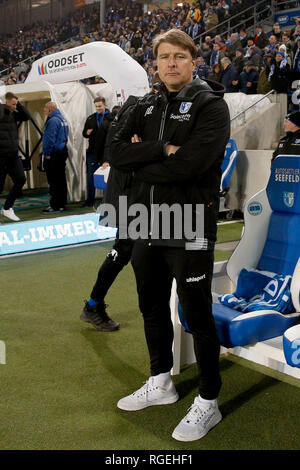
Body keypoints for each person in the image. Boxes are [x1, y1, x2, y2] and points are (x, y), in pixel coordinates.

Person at [110, 29, 230, 442]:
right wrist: (161, 150)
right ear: (155, 63)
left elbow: (192, 166)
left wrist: (139, 162)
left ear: (193, 61)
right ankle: (161, 381)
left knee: (196, 312)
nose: (172, 62)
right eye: (165, 56)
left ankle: (209, 400)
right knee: (151, 306)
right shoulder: (145, 104)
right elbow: (116, 153)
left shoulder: (211, 106)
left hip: (191, 221)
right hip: (146, 219)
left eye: (180, 55)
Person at [80, 97, 139, 333]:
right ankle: (93, 305)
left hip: (129, 196)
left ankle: (94, 305)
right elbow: (123, 153)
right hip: (130, 197)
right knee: (123, 251)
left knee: (125, 252)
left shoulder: (128, 111)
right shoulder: (136, 112)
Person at [0, 92, 30, 222]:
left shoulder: (14, 113)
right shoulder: (2, 110)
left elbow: (26, 116)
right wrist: (6, 108)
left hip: (13, 155)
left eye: (16, 104)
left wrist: (19, 105)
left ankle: (7, 208)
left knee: (21, 179)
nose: (15, 106)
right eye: (12, 104)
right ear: (6, 102)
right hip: (0, 156)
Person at [82, 97, 111, 207]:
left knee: (107, 178)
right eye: (96, 106)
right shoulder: (91, 118)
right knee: (90, 178)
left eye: (100, 106)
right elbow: (84, 133)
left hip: (106, 153)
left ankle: (106, 201)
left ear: (105, 105)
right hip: (92, 153)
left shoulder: (111, 118)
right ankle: (90, 201)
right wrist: (87, 132)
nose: (98, 108)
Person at [42, 102, 69, 214]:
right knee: (61, 179)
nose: (44, 110)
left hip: (54, 154)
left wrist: (47, 153)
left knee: (53, 180)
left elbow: (49, 138)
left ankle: (55, 205)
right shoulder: (63, 119)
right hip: (62, 151)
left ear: (49, 109)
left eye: (45, 108)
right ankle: (62, 203)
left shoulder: (52, 121)